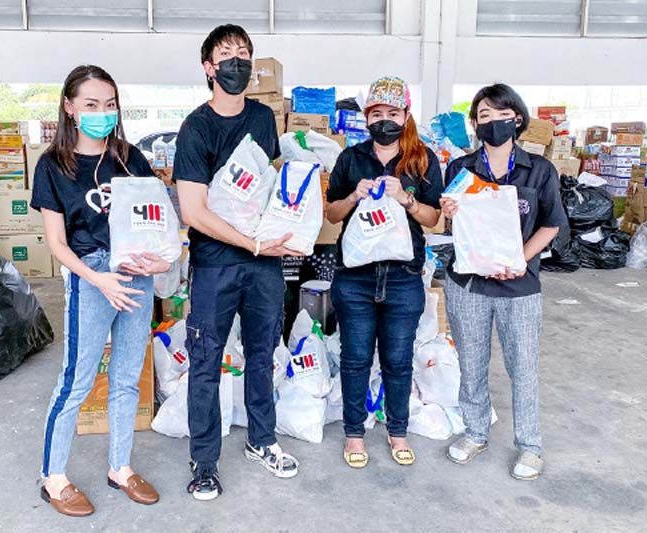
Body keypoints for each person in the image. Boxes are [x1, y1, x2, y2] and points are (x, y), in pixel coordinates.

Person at [32, 65, 170, 516]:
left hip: (136, 274)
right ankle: (53, 478)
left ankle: (120, 467)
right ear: (70, 108)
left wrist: (161, 258)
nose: (102, 113)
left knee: (128, 377)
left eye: (109, 105)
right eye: (91, 104)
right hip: (90, 278)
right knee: (77, 380)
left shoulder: (130, 158)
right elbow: (57, 243)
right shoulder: (53, 166)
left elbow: (154, 219)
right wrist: (97, 280)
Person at [174, 24, 300, 501]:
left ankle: (261, 440)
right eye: (226, 54)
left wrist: (291, 222)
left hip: (264, 264)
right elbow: (193, 211)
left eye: (244, 53)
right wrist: (250, 244)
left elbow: (267, 186)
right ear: (209, 68)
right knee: (206, 361)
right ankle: (204, 461)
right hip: (215, 265)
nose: (237, 62)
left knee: (263, 355)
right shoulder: (196, 128)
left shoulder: (264, 118)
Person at [440, 83, 567, 481]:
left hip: (519, 286)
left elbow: (551, 225)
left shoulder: (539, 170)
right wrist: (448, 211)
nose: (493, 122)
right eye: (484, 116)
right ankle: (475, 432)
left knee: (523, 366)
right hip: (468, 284)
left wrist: (519, 260)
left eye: (501, 114)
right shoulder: (460, 169)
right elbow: (451, 225)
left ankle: (530, 445)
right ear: (475, 125)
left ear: (517, 119)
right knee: (471, 363)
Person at [326, 76, 443, 468]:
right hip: (356, 277)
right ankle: (354, 434)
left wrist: (405, 198)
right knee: (355, 358)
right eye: (376, 114)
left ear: (406, 115)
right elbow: (332, 213)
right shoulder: (350, 158)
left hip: (403, 277)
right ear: (366, 118)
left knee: (398, 359)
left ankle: (398, 431)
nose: (384, 120)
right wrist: (353, 196)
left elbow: (434, 219)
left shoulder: (422, 159)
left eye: (392, 113)